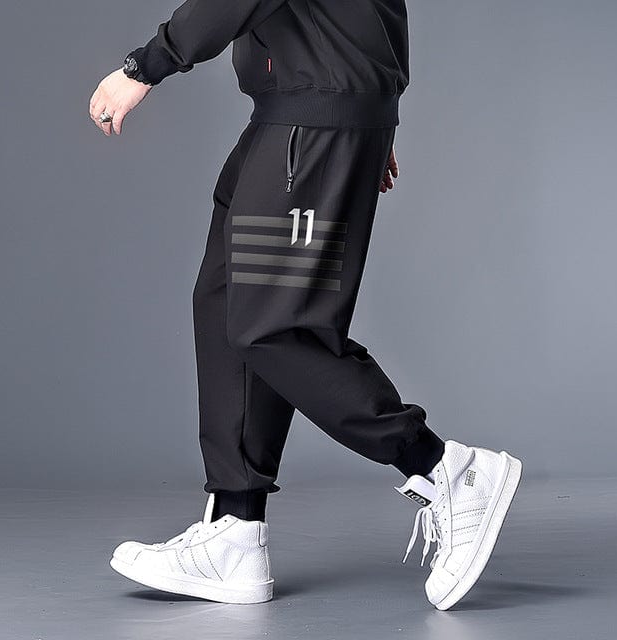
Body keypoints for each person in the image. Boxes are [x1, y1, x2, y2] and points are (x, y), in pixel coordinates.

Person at [88, 0, 522, 611]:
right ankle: (234, 530)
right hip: (295, 113)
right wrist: (370, 113)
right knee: (224, 305)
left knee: (273, 327)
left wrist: (146, 65)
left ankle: (447, 470)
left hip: (312, 119)